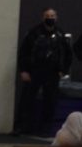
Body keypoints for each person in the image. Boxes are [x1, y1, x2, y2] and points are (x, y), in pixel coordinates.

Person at [15, 8, 72, 136]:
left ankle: (45, 130)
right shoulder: (34, 33)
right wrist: (24, 70)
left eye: (52, 15)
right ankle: (23, 127)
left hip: (52, 72)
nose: (50, 18)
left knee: (50, 102)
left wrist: (63, 71)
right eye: (47, 15)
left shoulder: (60, 34)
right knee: (27, 100)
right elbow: (24, 53)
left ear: (56, 18)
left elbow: (68, 54)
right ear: (43, 17)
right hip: (34, 71)